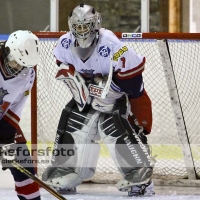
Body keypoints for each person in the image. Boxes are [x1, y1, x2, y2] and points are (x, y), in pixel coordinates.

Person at [42, 3, 154, 197]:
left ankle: (140, 176)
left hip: (117, 95)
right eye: (78, 26)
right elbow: (62, 62)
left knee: (112, 124)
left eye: (86, 25)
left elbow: (134, 85)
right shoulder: (65, 42)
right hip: (88, 95)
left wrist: (111, 90)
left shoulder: (111, 44)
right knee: (72, 118)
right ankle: (67, 172)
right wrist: (77, 82)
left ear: (96, 24)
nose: (82, 30)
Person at [0, 30, 41, 200]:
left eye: (23, 65)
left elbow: (15, 108)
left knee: (24, 168)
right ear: (7, 51)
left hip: (2, 123)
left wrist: (6, 136)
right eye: (16, 62)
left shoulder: (28, 75)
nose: (18, 68)